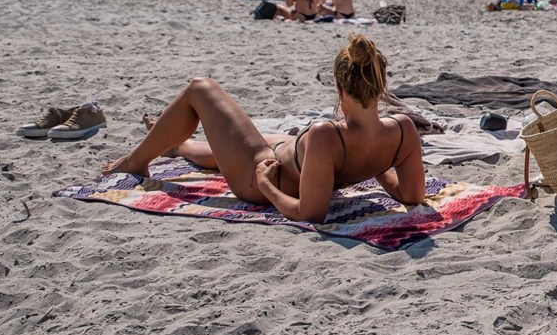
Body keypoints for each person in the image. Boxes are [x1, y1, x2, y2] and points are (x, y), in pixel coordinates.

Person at [100, 35, 423, 223]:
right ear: (381, 87)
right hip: (298, 158)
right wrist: (380, 163)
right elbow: (411, 196)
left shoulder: (327, 134)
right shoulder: (403, 129)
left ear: (340, 87)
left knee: (201, 88)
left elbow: (309, 214)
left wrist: (265, 185)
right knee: (276, 140)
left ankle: (136, 161)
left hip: (258, 176)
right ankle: (177, 146)